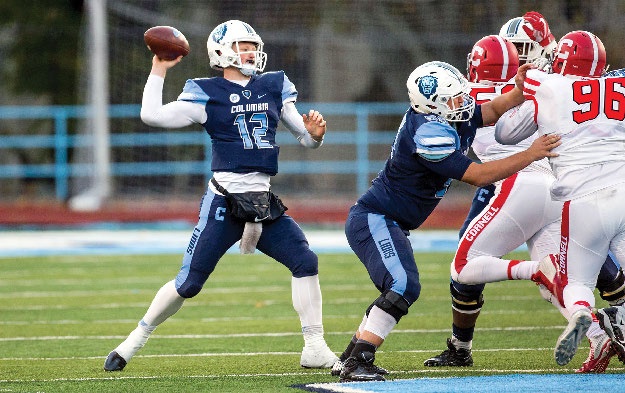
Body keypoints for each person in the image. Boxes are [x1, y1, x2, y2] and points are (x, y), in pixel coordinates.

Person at [103, 19, 338, 372]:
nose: (252, 52)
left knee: (305, 261)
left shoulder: (274, 85)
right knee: (189, 283)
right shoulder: (205, 92)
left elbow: (304, 139)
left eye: (254, 46)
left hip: (262, 200)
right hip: (224, 201)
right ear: (222, 52)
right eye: (244, 46)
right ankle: (133, 341)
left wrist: (316, 135)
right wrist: (159, 67)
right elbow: (150, 115)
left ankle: (315, 347)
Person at [332, 60, 561, 382]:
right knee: (402, 285)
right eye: (453, 99)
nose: (463, 102)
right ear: (430, 104)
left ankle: (349, 358)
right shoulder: (428, 132)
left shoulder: (447, 116)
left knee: (401, 285)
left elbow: (491, 110)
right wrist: (531, 153)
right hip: (375, 218)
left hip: (389, 220)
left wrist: (519, 91)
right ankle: (358, 361)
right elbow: (480, 176)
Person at [424, 31, 625, 373]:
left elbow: (500, 133)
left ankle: (533, 274)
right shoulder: (550, 85)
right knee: (562, 279)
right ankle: (597, 333)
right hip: (562, 189)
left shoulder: (472, 95)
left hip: (522, 184)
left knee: (464, 267)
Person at [497, 30, 625, 367]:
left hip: (583, 198)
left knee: (576, 282)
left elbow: (504, 132)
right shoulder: (620, 86)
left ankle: (584, 314)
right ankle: (620, 319)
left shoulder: (549, 85)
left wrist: (526, 96)